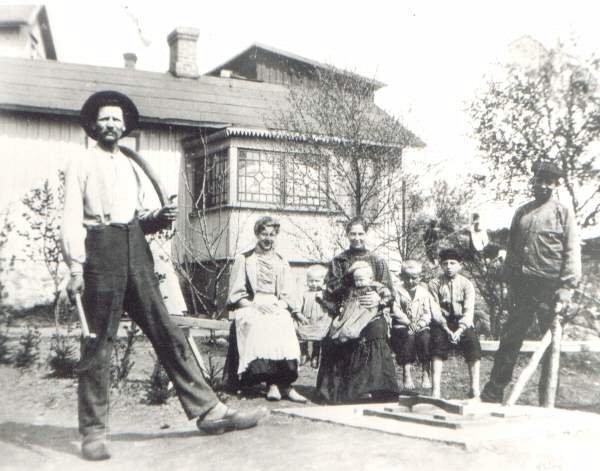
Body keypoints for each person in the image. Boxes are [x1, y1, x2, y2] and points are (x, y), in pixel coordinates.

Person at [62, 91, 263, 461]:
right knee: (97, 343)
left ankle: (210, 411)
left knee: (166, 330)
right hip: (99, 250)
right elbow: (72, 215)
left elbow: (135, 216)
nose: (111, 125)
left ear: (125, 126)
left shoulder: (130, 164)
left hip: (135, 249)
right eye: (104, 119)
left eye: (116, 120)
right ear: (93, 125)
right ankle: (93, 432)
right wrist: (75, 266)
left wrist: (157, 219)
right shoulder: (81, 161)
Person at [481, 162, 581, 405]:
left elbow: (572, 250)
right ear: (533, 182)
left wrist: (567, 287)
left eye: (550, 182)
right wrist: (507, 280)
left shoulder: (563, 213)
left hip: (551, 287)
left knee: (551, 344)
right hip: (523, 285)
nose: (544, 186)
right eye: (541, 180)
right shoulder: (522, 213)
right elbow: (513, 250)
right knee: (510, 338)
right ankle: (493, 392)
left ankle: (548, 398)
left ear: (556, 185)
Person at [223, 216, 307, 403]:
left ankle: (286, 384)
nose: (268, 238)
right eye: (264, 234)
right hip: (251, 305)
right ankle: (272, 384)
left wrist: (280, 306)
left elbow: (288, 293)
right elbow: (236, 295)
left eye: (272, 234)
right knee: (259, 323)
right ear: (257, 234)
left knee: (283, 322)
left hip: (276, 304)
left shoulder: (281, 261)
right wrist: (255, 305)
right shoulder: (244, 259)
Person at [316, 218, 399, 403]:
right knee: (336, 337)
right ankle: (343, 391)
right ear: (347, 235)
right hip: (346, 308)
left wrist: (379, 299)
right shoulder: (339, 260)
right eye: (353, 233)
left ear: (366, 234)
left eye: (360, 233)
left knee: (376, 331)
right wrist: (348, 280)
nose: (357, 238)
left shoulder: (377, 260)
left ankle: (377, 388)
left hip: (373, 310)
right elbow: (331, 290)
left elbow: (389, 290)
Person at [428, 249, 482, 399]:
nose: (449, 267)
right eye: (445, 264)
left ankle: (474, 389)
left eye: (453, 263)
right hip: (442, 324)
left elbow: (469, 310)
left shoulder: (467, 284)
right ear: (441, 266)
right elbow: (435, 309)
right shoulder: (434, 283)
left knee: (473, 344)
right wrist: (445, 328)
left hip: (462, 323)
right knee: (437, 345)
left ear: (460, 265)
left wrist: (460, 329)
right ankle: (436, 390)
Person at [390, 260, 440, 391]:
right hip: (402, 325)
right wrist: (408, 322)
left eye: (414, 278)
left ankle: (425, 372)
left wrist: (420, 324)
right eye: (407, 277)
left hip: (420, 325)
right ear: (402, 277)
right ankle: (407, 373)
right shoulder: (397, 290)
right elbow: (395, 310)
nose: (411, 281)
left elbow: (427, 312)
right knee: (408, 337)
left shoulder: (424, 292)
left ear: (420, 277)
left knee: (425, 338)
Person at [328, 261, 393, 343]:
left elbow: (387, 295)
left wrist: (381, 301)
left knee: (358, 324)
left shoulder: (375, 286)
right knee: (341, 322)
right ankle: (338, 334)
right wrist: (342, 306)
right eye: (356, 280)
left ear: (370, 278)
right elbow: (347, 299)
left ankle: (348, 335)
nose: (358, 283)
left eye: (361, 280)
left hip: (366, 310)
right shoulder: (353, 289)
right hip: (353, 309)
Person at [295, 264, 331, 368]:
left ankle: (315, 356)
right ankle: (304, 353)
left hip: (320, 319)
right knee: (302, 335)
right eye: (311, 281)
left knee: (317, 338)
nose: (313, 284)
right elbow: (298, 304)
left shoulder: (324, 293)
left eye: (317, 281)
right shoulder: (304, 293)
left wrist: (323, 299)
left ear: (323, 281)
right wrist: (299, 314)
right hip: (306, 319)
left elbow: (328, 305)